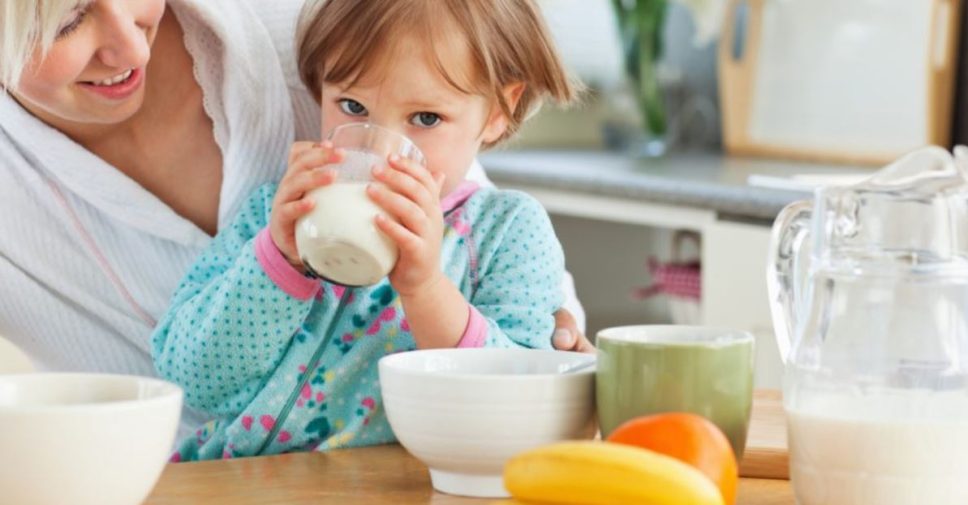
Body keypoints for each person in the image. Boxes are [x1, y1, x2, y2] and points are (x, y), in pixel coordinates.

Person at [0, 0, 593, 443]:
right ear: (318, 90)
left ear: (499, 114)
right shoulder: (273, 216)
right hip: (243, 482)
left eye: (426, 118)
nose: (382, 154)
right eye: (353, 108)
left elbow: (522, 387)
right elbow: (194, 375)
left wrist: (425, 286)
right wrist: (276, 265)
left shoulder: (502, 232)